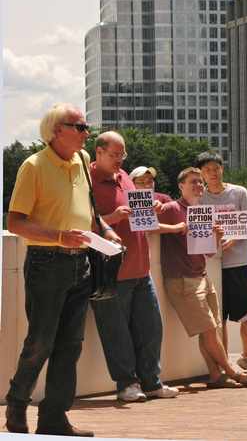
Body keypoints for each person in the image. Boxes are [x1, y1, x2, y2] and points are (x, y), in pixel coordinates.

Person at [4, 103, 121, 437]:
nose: (87, 132)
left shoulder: (83, 161)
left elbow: (87, 209)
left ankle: (54, 418)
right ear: (57, 130)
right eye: (80, 127)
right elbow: (15, 222)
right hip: (46, 264)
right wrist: (58, 236)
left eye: (86, 126)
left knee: (70, 345)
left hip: (81, 262)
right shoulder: (33, 166)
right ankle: (16, 403)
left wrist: (105, 230)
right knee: (41, 341)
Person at [90, 131, 178, 402]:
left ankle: (151, 382)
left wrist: (150, 208)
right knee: (117, 333)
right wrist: (112, 218)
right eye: (114, 154)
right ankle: (126, 385)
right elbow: (82, 224)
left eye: (122, 154)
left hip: (141, 268)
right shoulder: (86, 181)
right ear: (99, 153)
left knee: (151, 328)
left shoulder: (125, 176)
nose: (119, 159)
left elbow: (139, 218)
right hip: (111, 272)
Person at [155, 167, 247, 389]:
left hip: (202, 275)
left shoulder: (201, 211)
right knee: (210, 330)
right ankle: (233, 373)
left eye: (200, 183)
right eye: (193, 182)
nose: (198, 186)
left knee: (210, 331)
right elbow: (146, 225)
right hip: (182, 280)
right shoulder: (172, 208)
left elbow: (209, 253)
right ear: (180, 185)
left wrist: (216, 237)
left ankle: (215, 375)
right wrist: (175, 228)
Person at [197, 151, 247, 377]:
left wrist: (233, 238)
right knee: (219, 318)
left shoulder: (239, 192)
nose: (212, 173)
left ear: (222, 169)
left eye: (215, 168)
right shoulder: (200, 198)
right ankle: (225, 362)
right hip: (213, 265)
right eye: (207, 170)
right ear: (202, 174)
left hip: (240, 261)